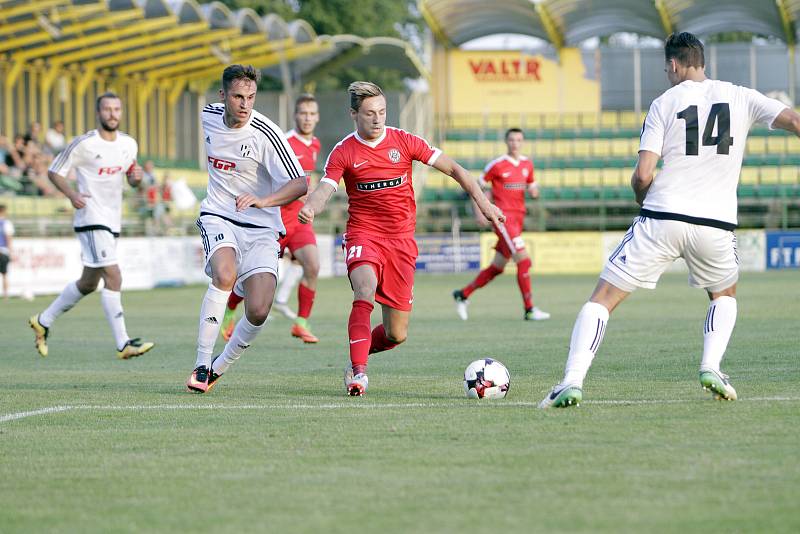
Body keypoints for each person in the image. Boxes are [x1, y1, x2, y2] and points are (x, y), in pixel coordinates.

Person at [539, 32, 799, 408]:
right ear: (702, 61)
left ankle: (571, 381)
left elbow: (644, 174)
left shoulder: (664, 102)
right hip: (716, 224)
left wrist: (641, 198)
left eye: (666, 68)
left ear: (674, 64)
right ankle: (711, 366)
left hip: (663, 217)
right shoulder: (741, 95)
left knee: (602, 300)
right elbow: (792, 119)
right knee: (724, 294)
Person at [298, 81, 504, 396]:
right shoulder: (344, 151)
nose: (377, 119)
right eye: (369, 113)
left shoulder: (404, 141)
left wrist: (484, 204)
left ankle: (360, 351)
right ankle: (359, 374)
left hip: (401, 241)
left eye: (382, 111)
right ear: (354, 114)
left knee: (396, 334)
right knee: (364, 289)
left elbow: (456, 170)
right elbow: (327, 186)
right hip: (364, 234)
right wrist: (311, 206)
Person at [186, 64, 307, 393]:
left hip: (261, 227)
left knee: (258, 310)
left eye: (251, 97)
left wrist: (264, 201)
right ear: (223, 95)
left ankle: (217, 367)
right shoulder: (208, 115)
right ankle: (200, 363)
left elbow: (300, 183)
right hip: (219, 215)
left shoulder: (266, 133)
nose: (245, 104)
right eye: (238, 96)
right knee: (224, 275)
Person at [29, 92, 155, 359]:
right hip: (90, 217)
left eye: (117, 109)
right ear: (98, 113)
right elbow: (54, 171)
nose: (112, 114)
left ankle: (43, 320)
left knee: (88, 283)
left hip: (112, 219)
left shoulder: (129, 145)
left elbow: (132, 180)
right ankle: (123, 344)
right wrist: (72, 195)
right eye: (107, 109)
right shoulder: (84, 144)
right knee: (114, 275)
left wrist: (137, 178)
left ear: (121, 113)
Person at [221, 93, 323, 343]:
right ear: (295, 115)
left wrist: (311, 188)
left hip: (300, 221)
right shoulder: (283, 141)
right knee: (253, 279)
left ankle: (301, 323)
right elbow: (266, 176)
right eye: (303, 113)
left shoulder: (315, 145)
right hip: (275, 219)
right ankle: (229, 311)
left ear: (317, 117)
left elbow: (306, 178)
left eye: (312, 114)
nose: (307, 118)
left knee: (313, 265)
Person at [452, 128, 550, 322]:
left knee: (497, 267)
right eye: (512, 140)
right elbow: (475, 186)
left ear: (522, 142)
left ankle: (462, 294)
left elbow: (532, 185)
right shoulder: (497, 165)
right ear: (507, 142)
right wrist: (479, 211)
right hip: (503, 220)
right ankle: (529, 309)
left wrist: (534, 190)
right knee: (524, 261)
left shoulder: (527, 164)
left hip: (518, 219)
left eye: (519, 140)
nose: (515, 143)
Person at [0, 204, 13, 299]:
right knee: (4, 274)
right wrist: (11, 252)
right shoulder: (6, 223)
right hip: (3, 251)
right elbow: (8, 238)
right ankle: (5, 296)